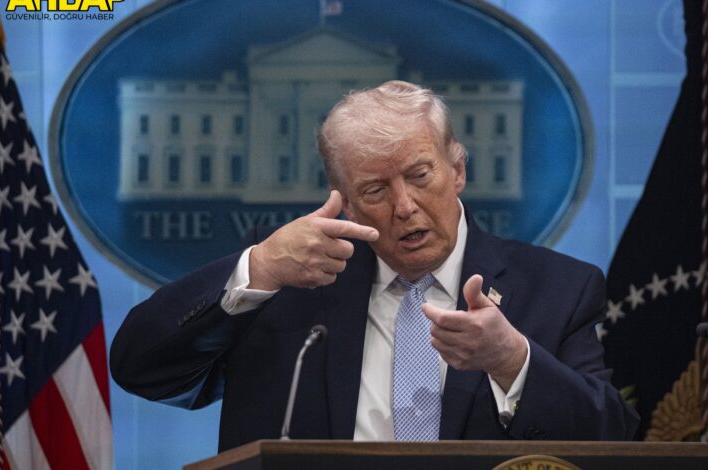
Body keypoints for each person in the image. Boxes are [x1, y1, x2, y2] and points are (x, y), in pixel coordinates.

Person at [110, 80, 639, 451]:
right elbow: (141, 369)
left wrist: (512, 361)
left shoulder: (558, 288)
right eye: (375, 190)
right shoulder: (289, 280)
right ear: (343, 201)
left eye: (420, 175)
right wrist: (261, 265)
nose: (404, 206)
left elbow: (612, 438)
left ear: (457, 170)